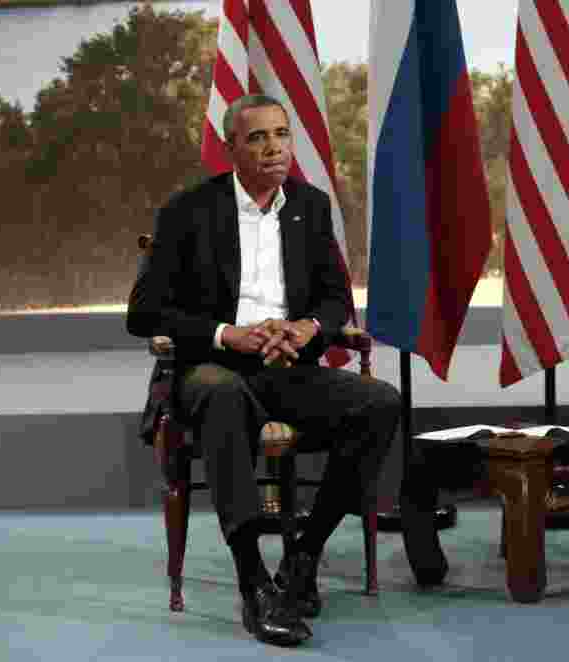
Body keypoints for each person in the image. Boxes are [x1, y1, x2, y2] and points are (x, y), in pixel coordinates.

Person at [127, 94, 400, 648]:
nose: (273, 147)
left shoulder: (311, 205)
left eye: (281, 134)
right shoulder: (189, 210)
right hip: (212, 365)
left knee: (379, 403)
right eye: (257, 137)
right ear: (231, 148)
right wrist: (227, 333)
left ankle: (303, 555)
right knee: (223, 396)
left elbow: (331, 299)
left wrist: (306, 329)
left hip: (286, 366)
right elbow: (144, 312)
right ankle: (254, 581)